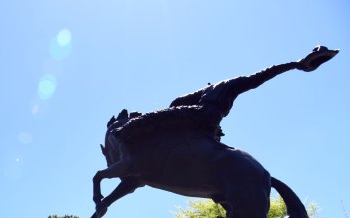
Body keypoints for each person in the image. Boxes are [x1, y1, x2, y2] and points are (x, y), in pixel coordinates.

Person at [115, 46, 338, 142]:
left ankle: (124, 132)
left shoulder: (222, 86)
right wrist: (294, 65)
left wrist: (294, 64)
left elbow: (177, 102)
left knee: (155, 116)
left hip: (205, 115)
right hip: (210, 119)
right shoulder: (225, 86)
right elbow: (262, 75)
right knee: (170, 116)